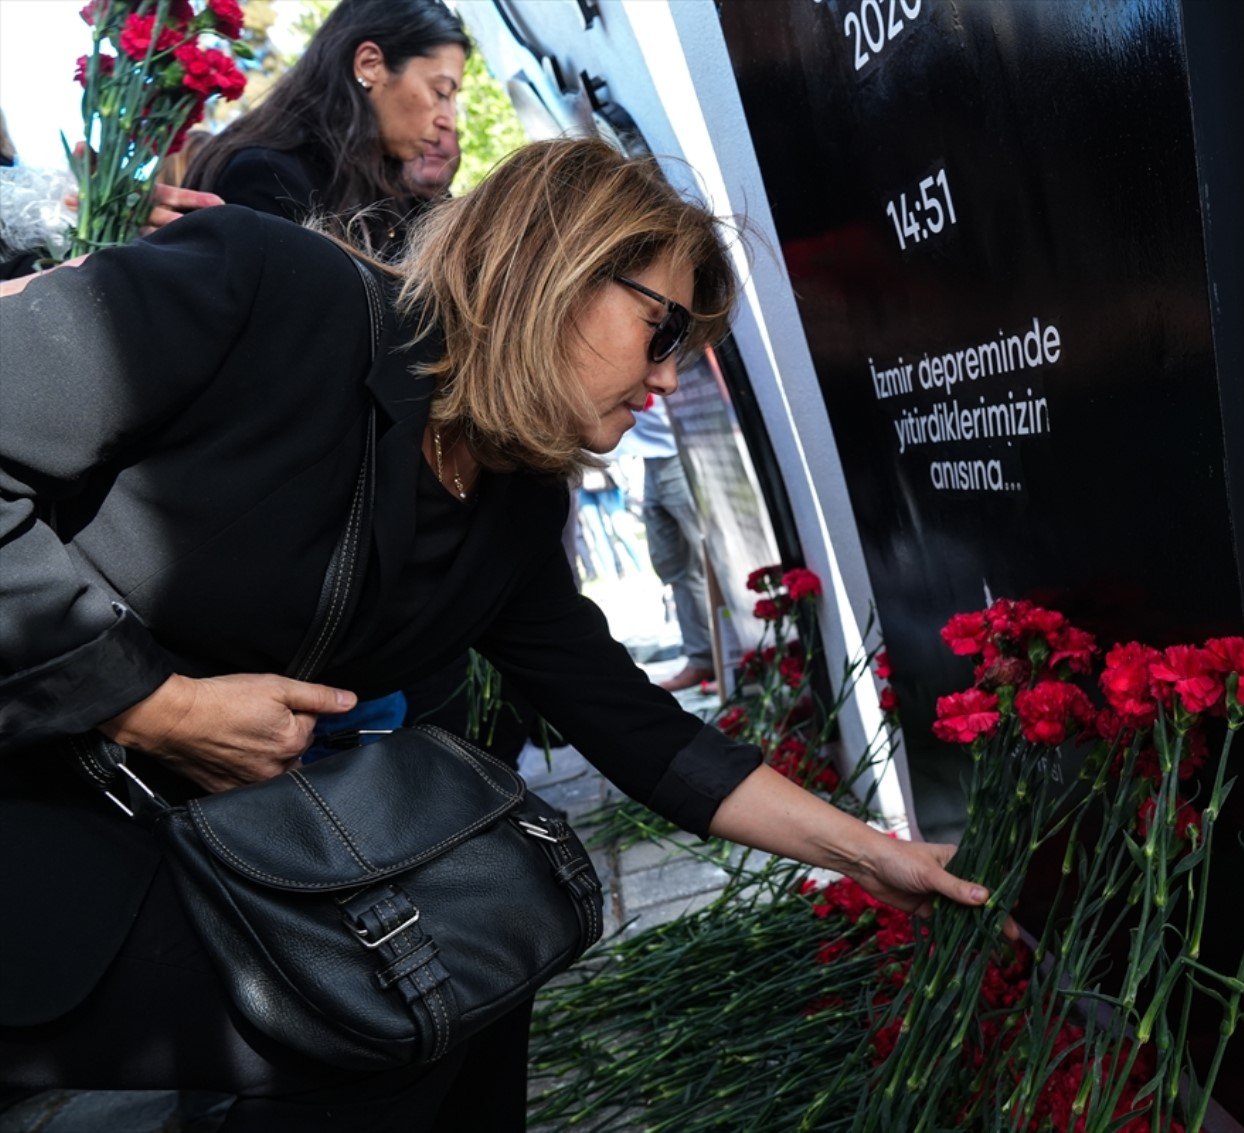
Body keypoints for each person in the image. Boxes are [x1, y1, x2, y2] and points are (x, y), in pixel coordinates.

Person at [0, 138, 994, 1130]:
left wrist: (866, 852)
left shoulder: (510, 501)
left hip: (205, 853)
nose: (664, 381)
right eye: (661, 331)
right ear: (556, 260)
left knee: (480, 952)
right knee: (386, 1027)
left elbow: (635, 726)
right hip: (48, 828)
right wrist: (156, 705)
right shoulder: (272, 288)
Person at [184, 0, 468, 255]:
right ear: (369, 64)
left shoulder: (404, 200)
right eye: (441, 92)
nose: (448, 119)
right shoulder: (266, 177)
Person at [623, 396, 718, 691]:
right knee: (674, 563)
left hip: (683, 452)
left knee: (712, 560)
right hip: (651, 460)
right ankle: (702, 657)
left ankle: (739, 661)